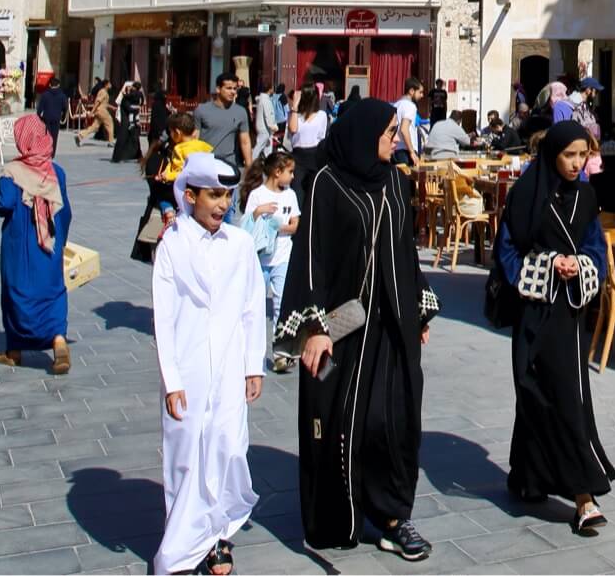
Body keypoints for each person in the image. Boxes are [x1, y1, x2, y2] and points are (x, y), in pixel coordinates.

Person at [279, 99, 437, 561]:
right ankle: (337, 513)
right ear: (364, 133)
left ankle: (392, 516)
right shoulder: (326, 184)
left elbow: (404, 249)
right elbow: (311, 257)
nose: (394, 138)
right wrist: (313, 328)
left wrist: (418, 310)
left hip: (390, 328)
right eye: (389, 131)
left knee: (391, 420)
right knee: (336, 418)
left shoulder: (392, 180)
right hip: (341, 330)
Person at [496, 120, 615, 533]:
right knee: (531, 392)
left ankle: (583, 494)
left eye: (583, 155)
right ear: (552, 154)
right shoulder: (525, 195)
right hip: (533, 311)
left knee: (567, 395)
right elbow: (507, 250)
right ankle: (529, 475)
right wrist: (547, 264)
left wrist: (579, 264)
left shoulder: (586, 196)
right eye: (570, 155)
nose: (576, 163)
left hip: (567, 314)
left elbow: (594, 246)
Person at [153, 154, 265, 576]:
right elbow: (163, 316)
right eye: (214, 195)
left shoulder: (239, 245)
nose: (222, 204)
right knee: (185, 452)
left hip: (231, 364)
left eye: (228, 196)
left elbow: (253, 307)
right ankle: (183, 540)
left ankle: (219, 535)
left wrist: (253, 364)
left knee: (229, 448)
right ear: (190, 195)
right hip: (189, 366)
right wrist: (172, 378)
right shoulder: (172, 245)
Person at [0, 114, 72, 374]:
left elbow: (4, 205)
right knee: (52, 289)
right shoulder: (56, 171)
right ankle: (58, 341)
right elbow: (66, 210)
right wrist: (61, 238)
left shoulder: (11, 173)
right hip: (50, 239)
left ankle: (15, 351)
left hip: (20, 241)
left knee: (17, 290)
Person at [238, 152, 299, 373]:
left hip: (282, 256)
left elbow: (294, 224)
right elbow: (246, 223)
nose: (292, 177)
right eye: (289, 172)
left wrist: (275, 226)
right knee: (254, 303)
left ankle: (281, 353)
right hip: (260, 258)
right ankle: (250, 352)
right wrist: (258, 213)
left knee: (281, 304)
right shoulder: (257, 194)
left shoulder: (290, 196)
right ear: (277, 172)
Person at [132, 114, 211, 265]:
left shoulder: (180, 151)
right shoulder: (199, 148)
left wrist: (168, 177)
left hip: (187, 214)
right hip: (182, 211)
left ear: (176, 132)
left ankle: (169, 212)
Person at [194, 73, 252, 171]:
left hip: (228, 164)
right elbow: (194, 138)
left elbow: (245, 141)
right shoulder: (202, 110)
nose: (232, 92)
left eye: (235, 88)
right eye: (228, 88)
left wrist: (249, 166)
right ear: (218, 89)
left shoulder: (241, 112)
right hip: (205, 163)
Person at [286, 85, 330, 203]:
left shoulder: (322, 115)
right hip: (298, 156)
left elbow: (321, 137)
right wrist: (294, 106)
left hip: (314, 156)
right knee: (297, 192)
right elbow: (293, 129)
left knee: (313, 194)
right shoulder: (294, 115)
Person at [391, 78, 425, 161]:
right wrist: (412, 152)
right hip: (405, 151)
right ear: (411, 91)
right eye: (420, 92)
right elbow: (404, 129)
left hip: (395, 150)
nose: (422, 95)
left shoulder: (396, 105)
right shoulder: (410, 106)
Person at [112, 80, 144, 166]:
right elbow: (128, 107)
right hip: (126, 121)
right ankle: (117, 156)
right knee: (124, 138)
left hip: (132, 120)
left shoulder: (132, 96)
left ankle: (138, 155)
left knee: (135, 137)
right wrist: (136, 108)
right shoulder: (127, 98)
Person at [36, 75, 70, 145]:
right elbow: (65, 107)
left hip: (47, 117)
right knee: (54, 136)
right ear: (58, 85)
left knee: (47, 135)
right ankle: (52, 152)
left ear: (49, 85)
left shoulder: (45, 95)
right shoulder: (62, 96)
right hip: (57, 117)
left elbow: (40, 108)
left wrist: (39, 117)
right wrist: (62, 115)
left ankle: (46, 151)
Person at [80, 78, 114, 146]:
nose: (110, 85)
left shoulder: (103, 92)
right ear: (106, 85)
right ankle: (111, 141)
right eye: (109, 84)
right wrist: (92, 112)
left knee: (94, 127)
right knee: (110, 124)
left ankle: (80, 135)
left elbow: (104, 103)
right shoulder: (103, 92)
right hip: (102, 111)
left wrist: (112, 107)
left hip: (99, 111)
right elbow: (97, 102)